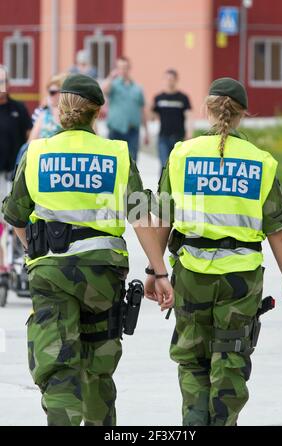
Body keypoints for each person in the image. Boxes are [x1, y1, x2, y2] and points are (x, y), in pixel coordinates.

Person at [2, 73, 173, 426]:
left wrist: (34, 251)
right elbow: (142, 215)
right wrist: (159, 271)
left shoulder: (38, 153)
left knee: (59, 367)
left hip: (51, 272)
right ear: (98, 112)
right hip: (102, 274)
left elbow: (14, 215)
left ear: (60, 108)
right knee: (97, 368)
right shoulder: (116, 153)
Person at [144, 77, 282, 426]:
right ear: (244, 114)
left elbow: (163, 217)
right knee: (230, 355)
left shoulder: (182, 154)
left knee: (192, 357)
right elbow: (275, 226)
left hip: (192, 274)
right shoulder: (261, 161)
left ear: (207, 109)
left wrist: (155, 271)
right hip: (240, 279)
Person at [0, 65, 32, 277]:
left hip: (14, 172)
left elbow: (29, 136)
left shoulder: (18, 108)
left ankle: (20, 254)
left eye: (3, 81)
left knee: (14, 216)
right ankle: (3, 261)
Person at [102, 57, 149, 162]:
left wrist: (146, 132)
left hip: (133, 131)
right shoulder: (113, 85)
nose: (123, 70)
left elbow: (142, 110)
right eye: (120, 68)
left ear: (129, 68)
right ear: (117, 69)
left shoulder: (137, 88)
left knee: (132, 162)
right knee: (114, 161)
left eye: (125, 67)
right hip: (115, 130)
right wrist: (110, 77)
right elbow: (103, 90)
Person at [152, 69, 192, 170]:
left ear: (176, 80)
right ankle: (162, 186)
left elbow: (189, 116)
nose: (169, 81)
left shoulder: (183, 98)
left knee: (176, 166)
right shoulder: (158, 98)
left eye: (172, 79)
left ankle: (174, 186)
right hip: (163, 137)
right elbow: (153, 116)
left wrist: (189, 133)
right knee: (164, 165)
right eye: (167, 79)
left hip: (178, 137)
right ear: (164, 80)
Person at [29, 73, 66, 140]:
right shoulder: (42, 113)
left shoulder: (71, 115)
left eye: (52, 92)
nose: (49, 95)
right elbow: (30, 142)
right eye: (49, 92)